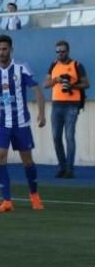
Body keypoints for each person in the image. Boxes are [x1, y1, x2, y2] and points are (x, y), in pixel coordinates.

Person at [0, 35, 46, 212]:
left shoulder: (21, 68)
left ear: (11, 50)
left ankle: (34, 195)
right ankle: (7, 201)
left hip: (21, 123)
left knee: (27, 161)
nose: (1, 52)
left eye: (4, 49)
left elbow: (37, 90)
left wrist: (41, 113)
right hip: (0, 123)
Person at [44, 40, 89, 178]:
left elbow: (86, 83)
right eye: (57, 51)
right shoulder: (53, 65)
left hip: (72, 105)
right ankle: (62, 167)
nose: (60, 54)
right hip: (56, 104)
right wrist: (56, 80)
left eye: (62, 51)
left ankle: (69, 169)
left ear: (68, 51)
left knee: (69, 137)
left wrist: (72, 86)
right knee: (56, 137)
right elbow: (46, 84)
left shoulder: (76, 65)